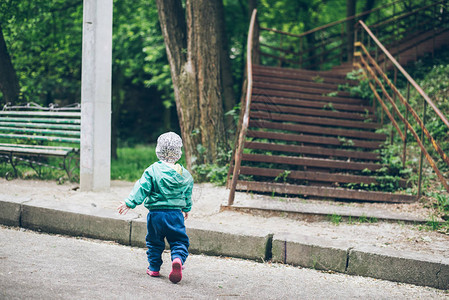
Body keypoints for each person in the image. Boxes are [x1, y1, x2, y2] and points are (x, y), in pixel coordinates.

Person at [117, 132, 194, 284]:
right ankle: (177, 259)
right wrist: (186, 208)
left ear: (158, 150)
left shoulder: (152, 170)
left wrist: (129, 202)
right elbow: (187, 194)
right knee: (179, 241)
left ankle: (154, 268)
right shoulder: (185, 175)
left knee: (154, 242)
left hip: (156, 215)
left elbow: (142, 187)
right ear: (179, 152)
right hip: (175, 215)